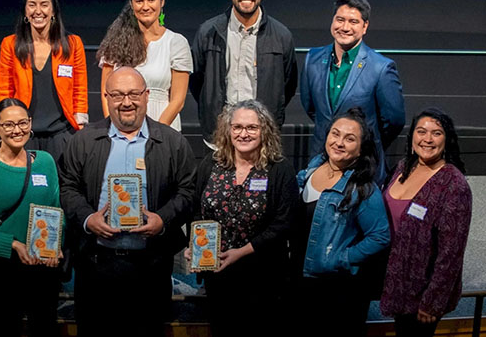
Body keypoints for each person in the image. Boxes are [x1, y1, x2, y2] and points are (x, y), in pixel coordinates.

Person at [59, 67, 196, 337]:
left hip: (151, 267)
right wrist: (88, 218)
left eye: (134, 94)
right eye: (118, 95)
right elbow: (67, 188)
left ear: (146, 96)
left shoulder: (172, 142)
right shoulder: (83, 140)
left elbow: (188, 191)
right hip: (96, 266)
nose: (126, 102)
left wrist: (163, 220)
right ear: (107, 97)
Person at [185, 99, 298, 336]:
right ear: (228, 130)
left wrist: (241, 251)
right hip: (219, 277)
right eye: (237, 127)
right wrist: (194, 246)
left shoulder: (279, 169)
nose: (243, 134)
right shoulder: (211, 164)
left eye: (251, 128)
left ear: (264, 131)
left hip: (262, 277)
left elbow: (283, 224)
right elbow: (197, 210)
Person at [0, 98, 64, 337]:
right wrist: (13, 245)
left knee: (45, 327)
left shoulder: (45, 162)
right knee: (5, 327)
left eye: (22, 123)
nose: (17, 130)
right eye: (8, 125)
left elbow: (56, 210)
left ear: (30, 123)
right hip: (5, 269)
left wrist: (56, 245)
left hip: (43, 266)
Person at [294, 107, 390, 337]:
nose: (339, 142)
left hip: (337, 289)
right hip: (301, 277)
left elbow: (380, 236)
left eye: (349, 139)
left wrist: (341, 258)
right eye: (335, 134)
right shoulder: (313, 167)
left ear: (360, 149)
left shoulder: (363, 188)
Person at [380, 108, 472, 337]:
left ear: (447, 139)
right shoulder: (403, 167)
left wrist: (433, 300)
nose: (427, 139)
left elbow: (451, 253)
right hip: (396, 283)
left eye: (436, 133)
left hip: (422, 295)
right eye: (421, 131)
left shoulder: (453, 185)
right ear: (412, 137)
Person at [190, 0, 297, 149]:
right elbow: (197, 81)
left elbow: (287, 87)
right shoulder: (208, 32)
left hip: (262, 137)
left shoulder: (281, 36)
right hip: (220, 136)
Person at [300, 0, 404, 183]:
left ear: (365, 27)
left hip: (362, 166)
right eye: (340, 20)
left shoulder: (381, 67)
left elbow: (394, 120)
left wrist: (364, 139)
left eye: (353, 21)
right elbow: (311, 108)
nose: (345, 27)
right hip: (321, 161)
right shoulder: (312, 59)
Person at [0, 0, 88, 162]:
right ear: (25, 12)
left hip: (62, 134)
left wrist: (80, 127)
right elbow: (4, 92)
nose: (38, 11)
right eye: (32, 5)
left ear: (53, 11)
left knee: (62, 187)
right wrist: (4, 128)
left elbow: (80, 89)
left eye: (44, 4)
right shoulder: (10, 45)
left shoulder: (72, 44)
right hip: (23, 135)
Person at [97, 0, 192, 131]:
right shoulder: (116, 41)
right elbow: (105, 93)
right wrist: (114, 129)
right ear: (131, 4)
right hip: (122, 128)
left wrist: (155, 133)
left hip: (163, 128)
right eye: (139, 1)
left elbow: (178, 100)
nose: (146, 6)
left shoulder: (176, 42)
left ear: (162, 0)